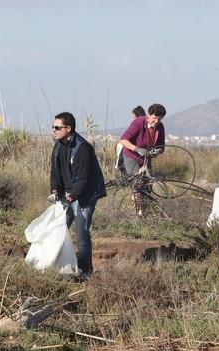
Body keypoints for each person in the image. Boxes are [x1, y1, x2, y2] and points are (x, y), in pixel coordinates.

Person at [49, 111, 107, 280]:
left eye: (57, 127)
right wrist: (54, 192)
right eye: (53, 127)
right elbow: (54, 172)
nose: (54, 130)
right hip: (66, 194)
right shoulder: (58, 145)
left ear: (68, 128)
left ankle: (85, 271)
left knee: (81, 233)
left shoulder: (82, 148)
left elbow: (83, 180)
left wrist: (71, 197)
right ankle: (57, 266)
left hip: (84, 196)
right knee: (59, 230)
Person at [115, 105, 147, 173]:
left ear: (136, 115)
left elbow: (124, 139)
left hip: (132, 152)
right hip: (133, 153)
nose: (132, 118)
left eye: (133, 116)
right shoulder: (142, 124)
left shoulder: (138, 123)